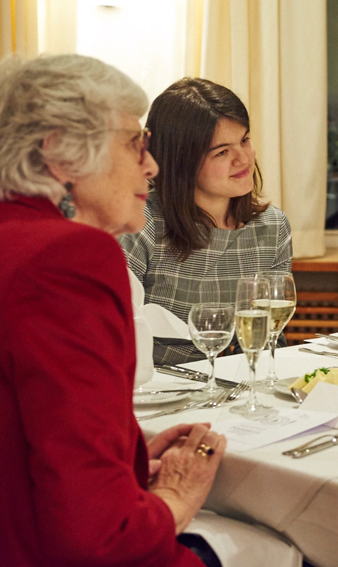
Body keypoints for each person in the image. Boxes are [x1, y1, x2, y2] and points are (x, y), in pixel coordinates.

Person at [0, 54, 225, 565]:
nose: (152, 165)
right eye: (134, 142)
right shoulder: (66, 257)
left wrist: (124, 463)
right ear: (59, 153)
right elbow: (99, 539)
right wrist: (175, 497)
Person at [118, 78, 293, 363]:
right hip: (158, 392)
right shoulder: (140, 223)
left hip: (238, 391)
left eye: (245, 140)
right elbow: (117, 333)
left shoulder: (272, 227)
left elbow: (273, 336)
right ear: (181, 161)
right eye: (222, 152)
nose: (243, 159)